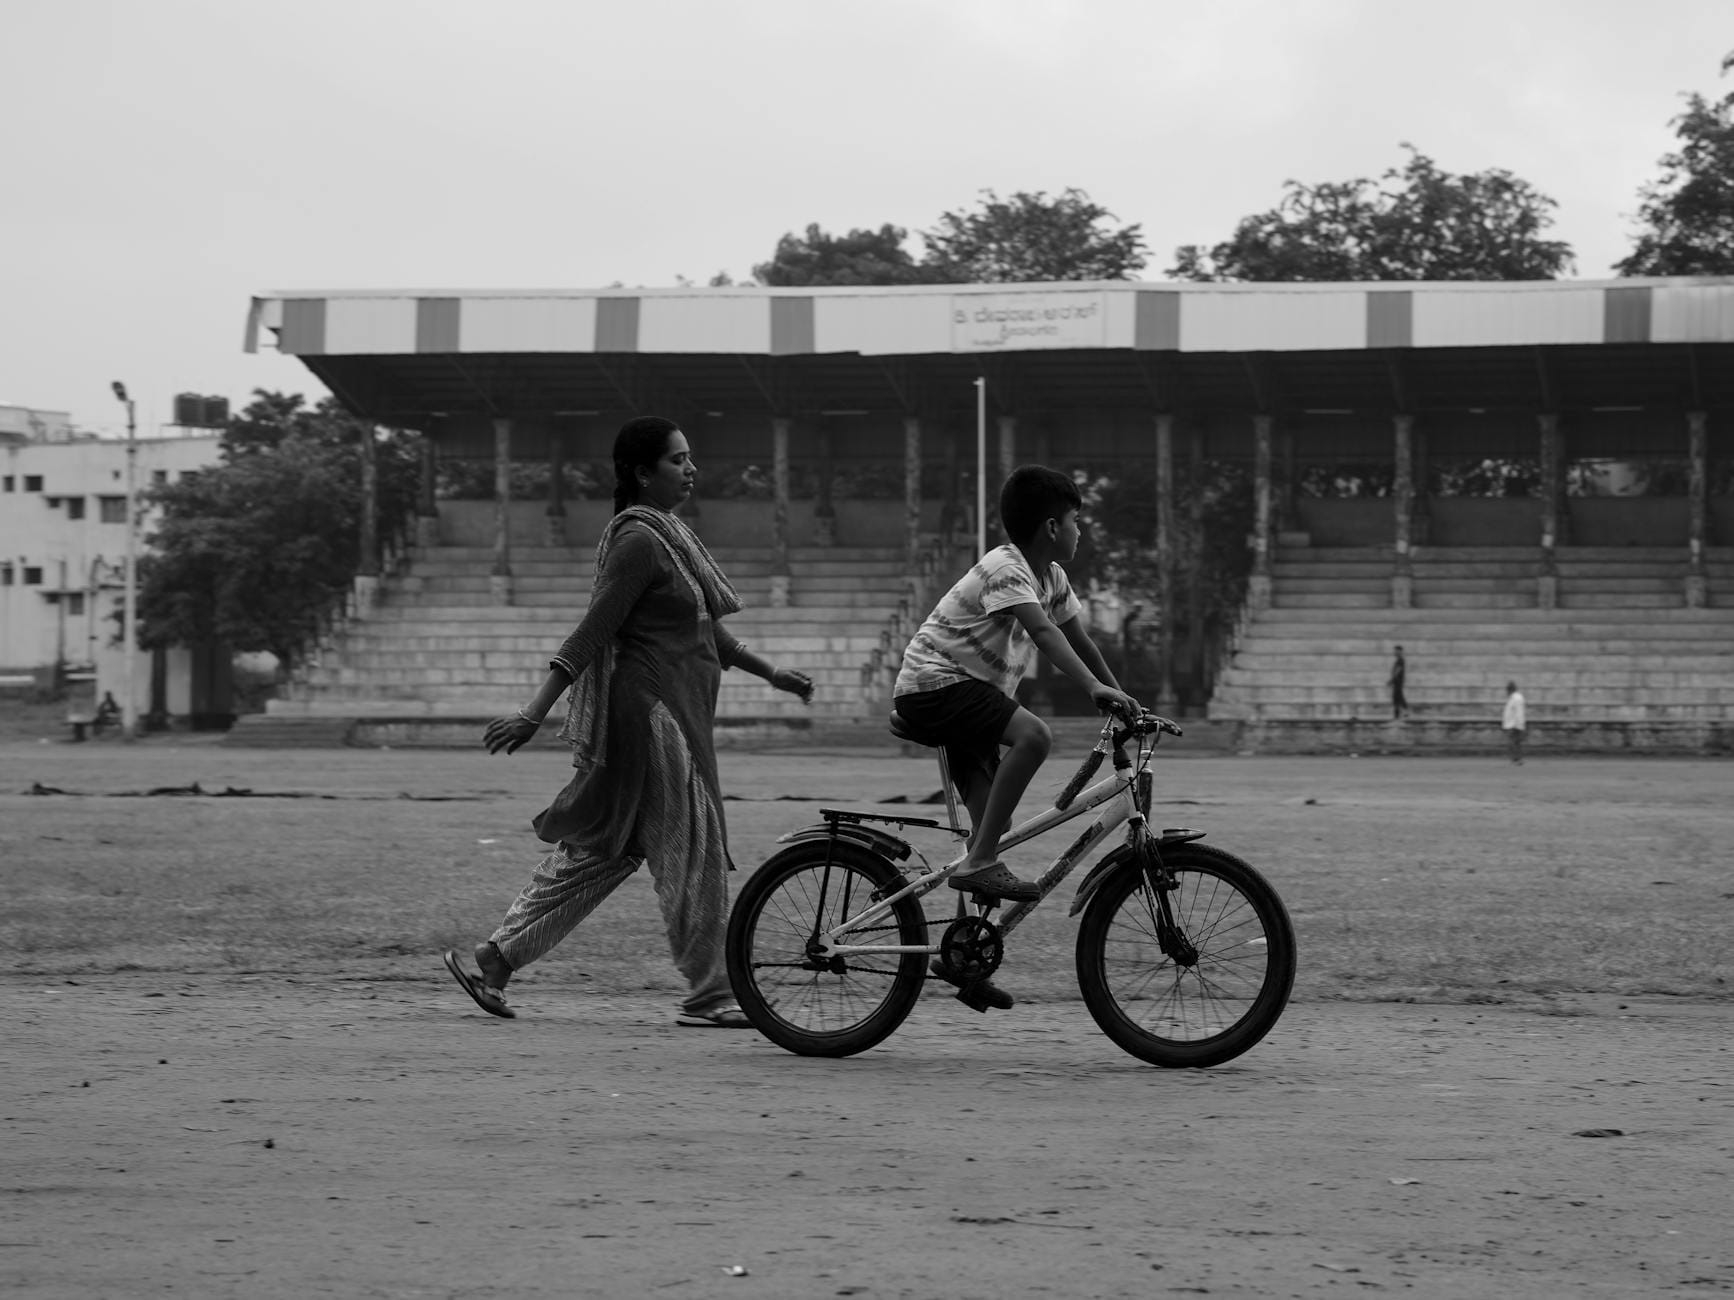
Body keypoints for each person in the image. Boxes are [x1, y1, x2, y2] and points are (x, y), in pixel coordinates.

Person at [443, 416, 814, 1028]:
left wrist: (774, 675)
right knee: (689, 849)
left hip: (672, 714)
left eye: (690, 458)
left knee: (602, 850)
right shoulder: (638, 543)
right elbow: (593, 631)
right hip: (655, 718)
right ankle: (710, 994)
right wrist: (532, 712)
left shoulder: (670, 538)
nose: (690, 468)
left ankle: (497, 957)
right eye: (677, 460)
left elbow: (707, 633)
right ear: (643, 474)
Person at [893, 465, 1140, 1008]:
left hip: (967, 695)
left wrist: (1121, 699)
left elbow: (1081, 640)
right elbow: (1044, 633)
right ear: (1052, 526)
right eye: (1077, 520)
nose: (1081, 531)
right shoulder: (1006, 568)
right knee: (1034, 737)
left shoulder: (1051, 577)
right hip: (935, 686)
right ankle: (979, 864)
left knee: (994, 826)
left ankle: (960, 959)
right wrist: (1095, 690)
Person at [1502, 681, 1526, 765]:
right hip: (1511, 724)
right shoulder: (1513, 698)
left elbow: (1519, 712)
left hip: (1514, 724)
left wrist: (1518, 725)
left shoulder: (1517, 698)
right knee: (1514, 743)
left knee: (1514, 743)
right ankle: (1515, 759)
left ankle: (1517, 759)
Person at [1389, 646, 1408, 720]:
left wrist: (1392, 680)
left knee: (1398, 697)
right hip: (1397, 682)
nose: (1394, 652)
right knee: (1396, 697)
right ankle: (1397, 714)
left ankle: (1405, 711)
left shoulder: (1400, 660)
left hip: (1398, 682)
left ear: (1400, 651)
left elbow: (1398, 671)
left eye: (1396, 651)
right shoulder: (1398, 660)